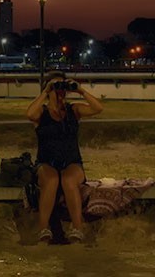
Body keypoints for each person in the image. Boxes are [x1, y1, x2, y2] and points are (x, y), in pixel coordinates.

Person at [27, 71, 104, 243]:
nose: (60, 91)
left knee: (68, 180)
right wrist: (46, 92)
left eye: (62, 87)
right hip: (46, 161)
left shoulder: (73, 110)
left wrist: (81, 91)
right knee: (52, 179)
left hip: (71, 162)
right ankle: (43, 228)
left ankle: (77, 228)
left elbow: (98, 108)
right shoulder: (42, 113)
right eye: (56, 87)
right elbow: (30, 114)